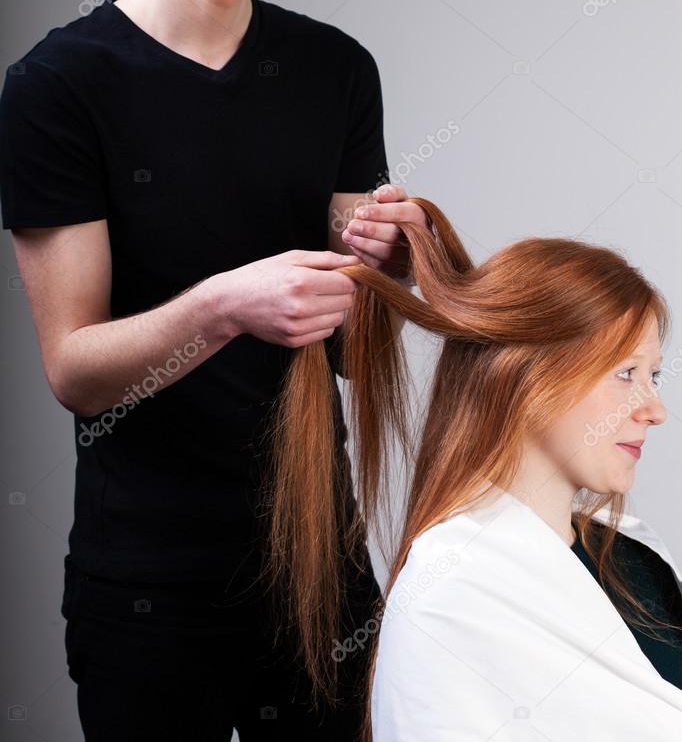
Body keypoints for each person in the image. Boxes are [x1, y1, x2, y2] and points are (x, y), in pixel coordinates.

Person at [0, 0, 428, 742]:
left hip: (318, 571)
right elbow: (76, 371)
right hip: (150, 587)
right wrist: (223, 306)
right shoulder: (58, 89)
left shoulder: (334, 70)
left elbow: (351, 346)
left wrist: (394, 269)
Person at [270, 196, 682, 740]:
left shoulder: (635, 556)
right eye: (626, 373)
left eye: (654, 375)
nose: (655, 410)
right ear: (526, 378)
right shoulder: (453, 591)